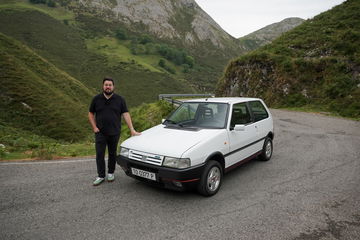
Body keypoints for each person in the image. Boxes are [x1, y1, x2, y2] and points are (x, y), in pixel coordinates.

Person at [88, 77, 140, 186]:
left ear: (113, 86)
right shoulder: (96, 99)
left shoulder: (120, 99)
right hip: (100, 132)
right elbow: (91, 113)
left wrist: (132, 130)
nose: (108, 87)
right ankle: (101, 176)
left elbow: (125, 114)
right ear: (103, 86)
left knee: (112, 154)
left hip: (114, 132)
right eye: (106, 85)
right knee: (100, 154)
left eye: (110, 85)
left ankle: (111, 173)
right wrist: (94, 128)